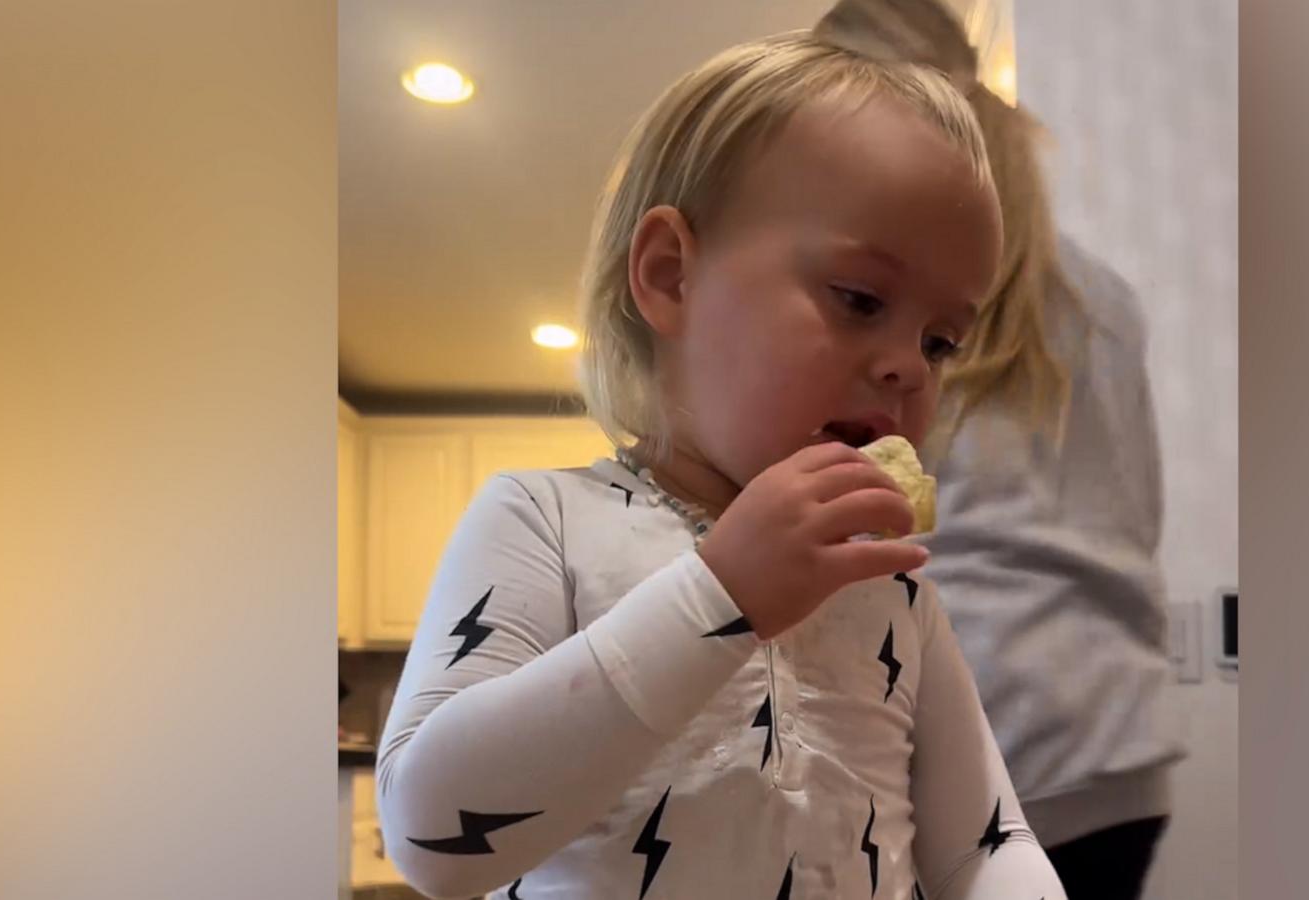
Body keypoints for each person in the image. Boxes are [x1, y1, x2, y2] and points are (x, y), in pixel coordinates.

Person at [375, 31, 1067, 900]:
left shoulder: (895, 594)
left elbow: (983, 847)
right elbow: (434, 839)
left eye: (941, 341)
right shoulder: (541, 521)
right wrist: (719, 594)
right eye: (859, 300)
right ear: (670, 277)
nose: (909, 367)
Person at [814, 3, 1187, 899]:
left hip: (968, 723)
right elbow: (1138, 512)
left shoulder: (883, 290)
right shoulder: (1105, 299)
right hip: (1115, 740)